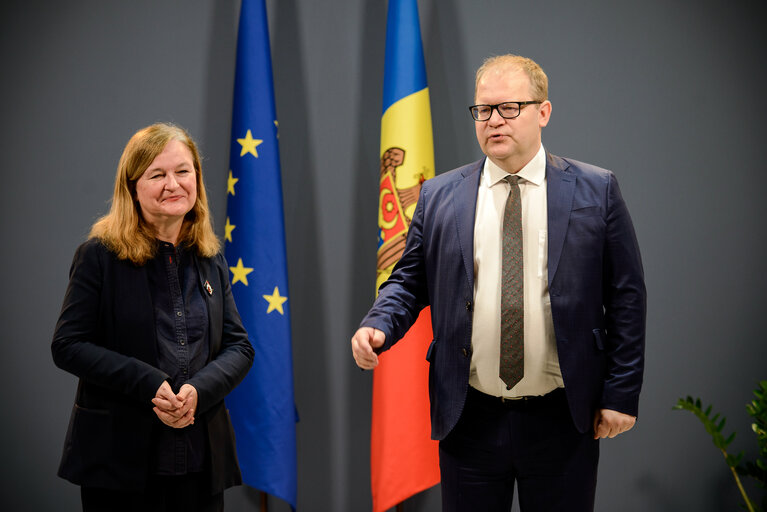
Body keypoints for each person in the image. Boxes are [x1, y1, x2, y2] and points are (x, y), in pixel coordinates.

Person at [351, 54, 646, 511]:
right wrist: (379, 324)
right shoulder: (439, 195)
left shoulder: (596, 190)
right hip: (470, 416)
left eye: (510, 108)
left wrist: (621, 393)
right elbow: (409, 282)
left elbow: (626, 297)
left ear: (543, 112)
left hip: (562, 416)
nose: (493, 121)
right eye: (483, 110)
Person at [52, 123, 255, 512]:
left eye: (183, 171)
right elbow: (68, 345)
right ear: (132, 188)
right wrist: (150, 384)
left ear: (196, 178)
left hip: (200, 458)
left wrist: (198, 391)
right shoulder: (98, 256)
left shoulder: (210, 258)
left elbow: (239, 346)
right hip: (119, 462)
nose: (173, 184)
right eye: (157, 175)